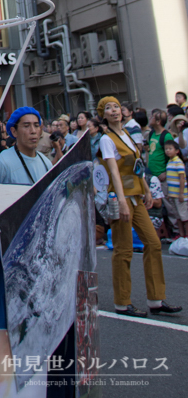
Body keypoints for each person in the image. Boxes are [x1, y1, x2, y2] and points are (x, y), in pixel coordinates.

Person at [96, 96, 181, 318]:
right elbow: (114, 171)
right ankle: (122, 303)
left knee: (153, 244)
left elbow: (137, 167)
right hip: (121, 198)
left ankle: (156, 299)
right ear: (102, 115)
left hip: (137, 196)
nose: (114, 110)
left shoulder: (128, 136)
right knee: (123, 250)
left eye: (116, 106)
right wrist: (122, 200)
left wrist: (147, 188)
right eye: (108, 108)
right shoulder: (107, 139)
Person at [0, 107, 51, 185]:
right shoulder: (1, 163)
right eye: (26, 126)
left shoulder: (46, 163)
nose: (33, 131)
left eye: (36, 125)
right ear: (14, 131)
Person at [163, 138, 188, 238]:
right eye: (166, 149)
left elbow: (182, 179)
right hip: (173, 194)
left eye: (170, 148)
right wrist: (169, 193)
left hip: (180, 195)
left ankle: (186, 235)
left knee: (184, 216)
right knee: (178, 216)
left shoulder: (178, 162)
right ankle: (181, 235)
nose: (168, 150)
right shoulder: (169, 162)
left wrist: (181, 193)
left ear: (177, 151)